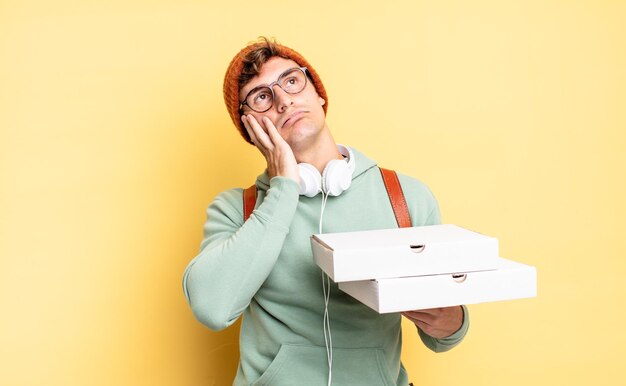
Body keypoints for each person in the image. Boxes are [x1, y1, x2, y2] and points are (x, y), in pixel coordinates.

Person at [183, 37, 469, 386]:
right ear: (250, 127)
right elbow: (212, 308)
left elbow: (445, 335)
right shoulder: (236, 210)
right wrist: (283, 190)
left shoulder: (405, 198)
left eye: (291, 81)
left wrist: (452, 321)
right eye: (262, 97)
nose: (284, 101)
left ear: (318, 93)